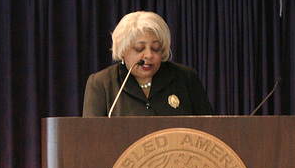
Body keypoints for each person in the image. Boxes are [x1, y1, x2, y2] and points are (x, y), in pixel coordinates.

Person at [82, 11, 214, 117]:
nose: (149, 55)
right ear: (123, 50)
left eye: (156, 48)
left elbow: (210, 128)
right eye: (140, 48)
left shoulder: (185, 78)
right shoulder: (101, 83)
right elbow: (91, 137)